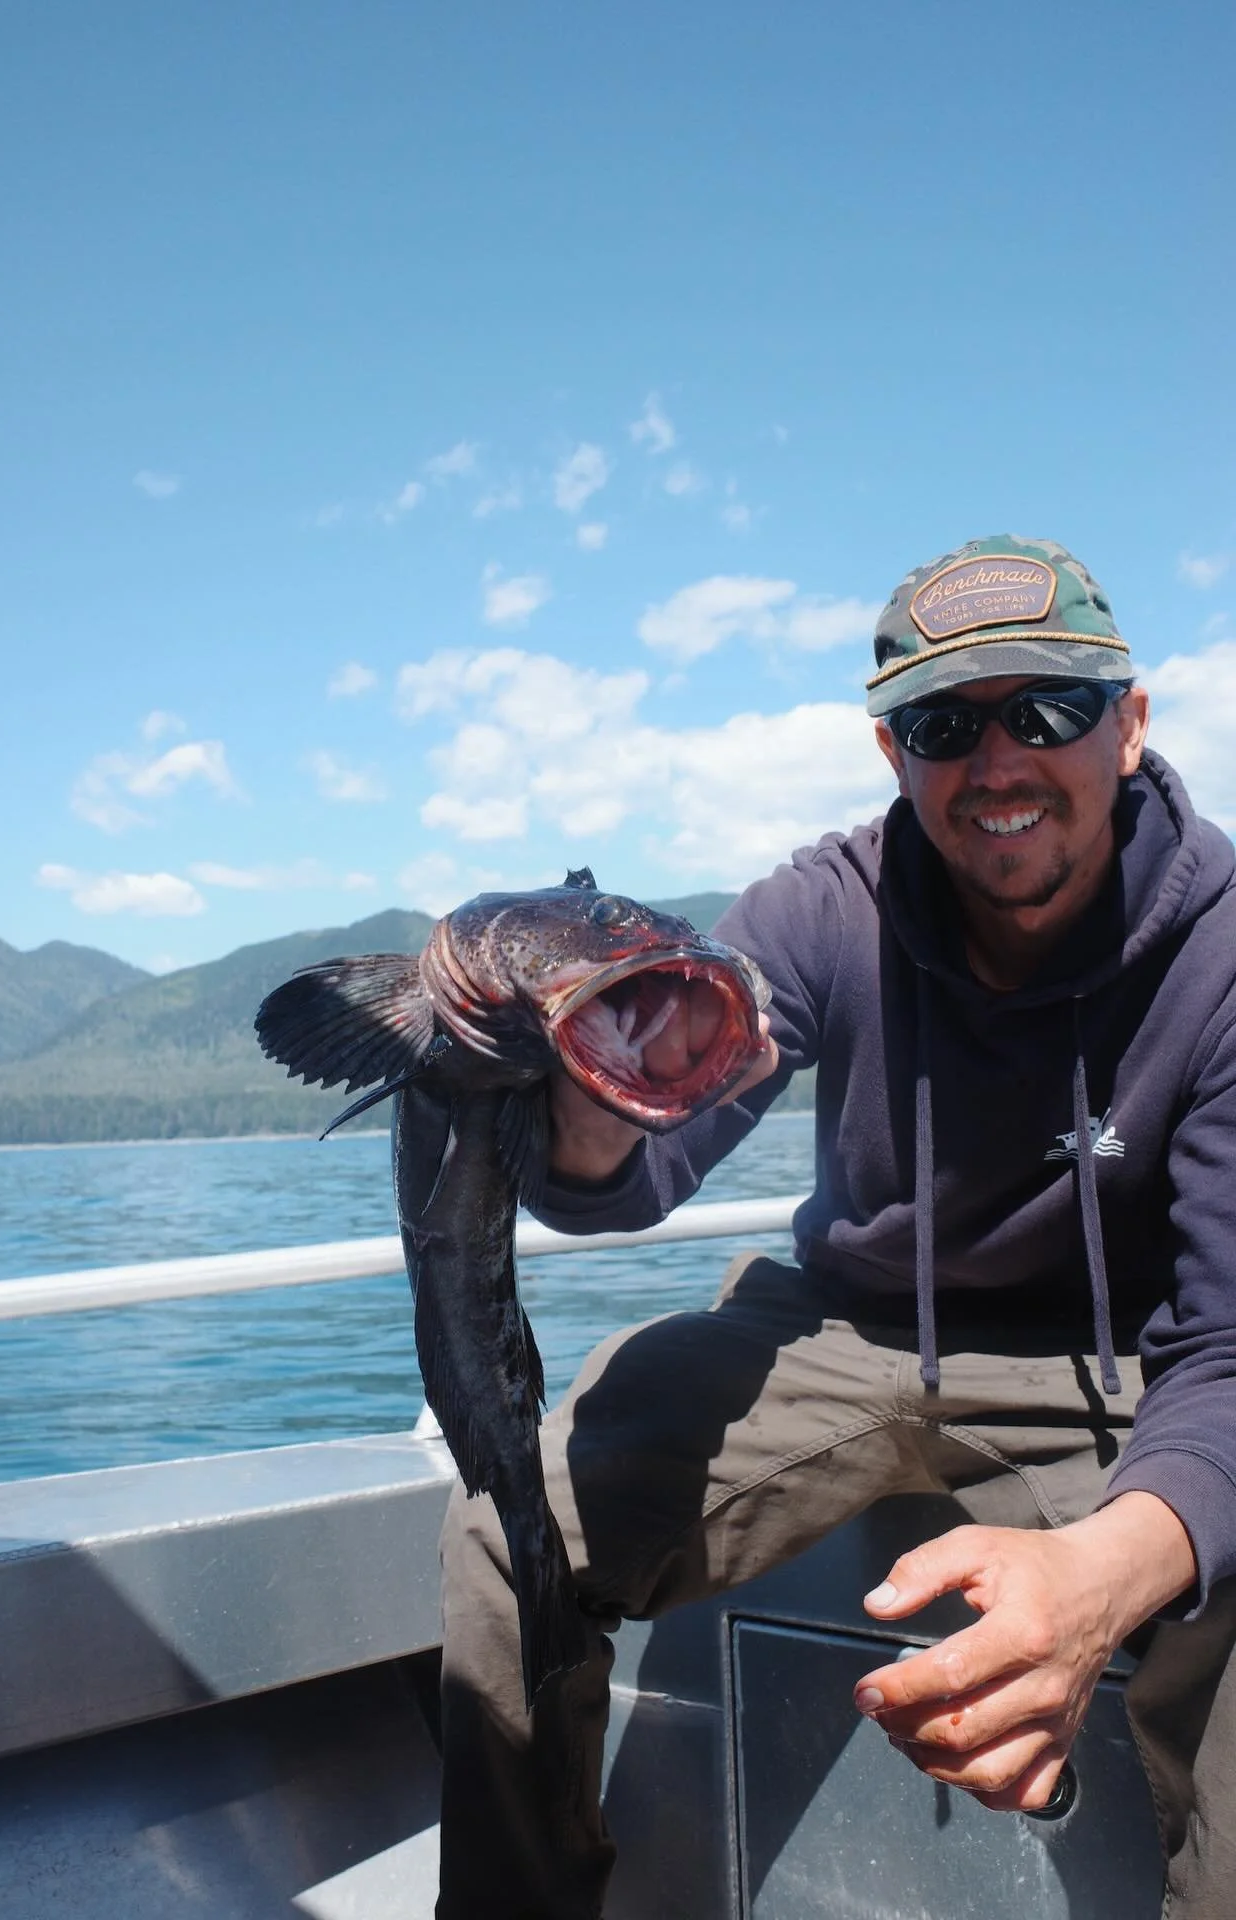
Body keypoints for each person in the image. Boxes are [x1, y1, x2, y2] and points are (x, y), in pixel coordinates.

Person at [436, 534, 1236, 1920]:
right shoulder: (822, 910)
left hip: (1127, 1364)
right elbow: (630, 1168)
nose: (995, 765)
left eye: (1045, 709)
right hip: (844, 1324)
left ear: (1132, 725)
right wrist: (596, 1097)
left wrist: (1105, 1575)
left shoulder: (1224, 953)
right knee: (520, 1524)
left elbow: (1230, 1348)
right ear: (891, 752)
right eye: (943, 724)